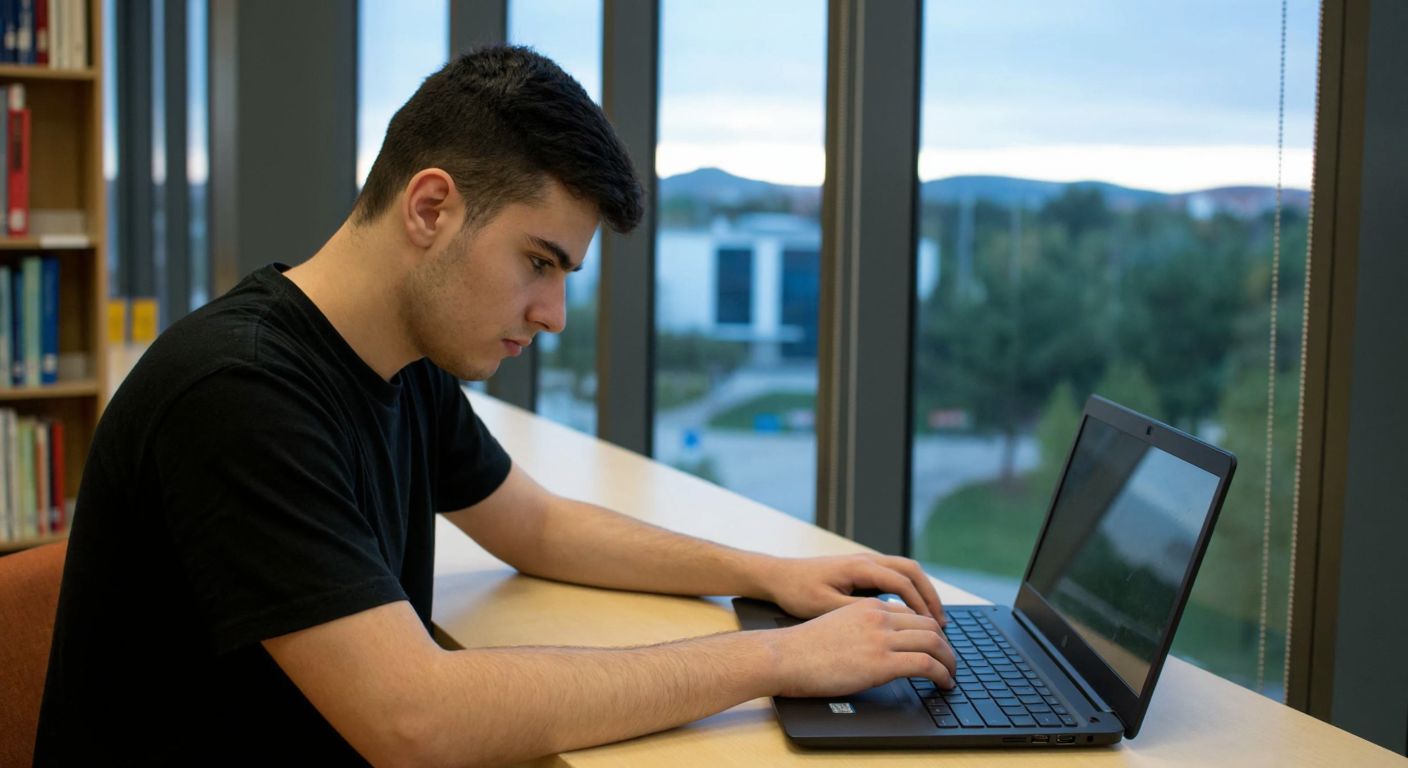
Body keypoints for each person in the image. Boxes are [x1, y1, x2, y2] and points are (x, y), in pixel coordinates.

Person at [35, 46, 954, 766]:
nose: (552, 316)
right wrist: (783, 662)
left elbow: (540, 527)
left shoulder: (402, 359)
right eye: (540, 262)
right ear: (431, 208)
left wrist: (765, 575)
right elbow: (415, 721)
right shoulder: (237, 395)